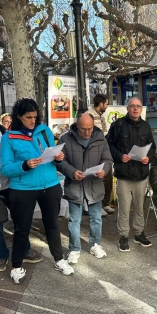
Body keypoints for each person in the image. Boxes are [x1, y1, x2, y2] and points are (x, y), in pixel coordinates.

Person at [0, 98, 74, 283]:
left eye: (35, 117)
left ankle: (59, 260)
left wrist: (59, 157)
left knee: (52, 225)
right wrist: (24, 165)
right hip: (22, 188)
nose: (32, 121)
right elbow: (5, 169)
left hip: (50, 185)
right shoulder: (8, 137)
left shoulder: (44, 130)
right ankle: (16, 266)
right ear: (19, 117)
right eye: (28, 117)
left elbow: (54, 155)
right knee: (22, 228)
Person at [0, 104, 42, 272]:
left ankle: (24, 251)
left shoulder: (8, 134)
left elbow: (19, 156)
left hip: (11, 183)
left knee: (20, 220)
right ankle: (2, 255)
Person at [57, 113, 113, 264]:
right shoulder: (65, 138)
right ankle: (74, 248)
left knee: (96, 218)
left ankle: (96, 244)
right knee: (74, 220)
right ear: (77, 126)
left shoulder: (101, 139)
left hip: (95, 184)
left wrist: (104, 170)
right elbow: (60, 161)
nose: (87, 132)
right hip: (75, 185)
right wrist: (71, 172)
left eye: (90, 129)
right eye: (83, 129)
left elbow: (108, 159)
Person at [106, 97, 156, 252]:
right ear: (127, 108)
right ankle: (123, 235)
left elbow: (153, 148)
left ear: (141, 109)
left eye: (138, 106)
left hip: (141, 174)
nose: (135, 109)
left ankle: (139, 233)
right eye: (132, 106)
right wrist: (120, 156)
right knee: (124, 208)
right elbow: (108, 145)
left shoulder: (146, 126)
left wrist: (149, 158)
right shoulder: (118, 125)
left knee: (140, 207)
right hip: (124, 174)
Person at [87, 94, 114, 217]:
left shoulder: (101, 116)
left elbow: (104, 134)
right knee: (97, 180)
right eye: (106, 104)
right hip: (93, 152)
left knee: (108, 177)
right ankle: (96, 206)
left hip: (103, 150)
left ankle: (105, 203)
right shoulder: (89, 115)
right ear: (101, 104)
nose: (107, 106)